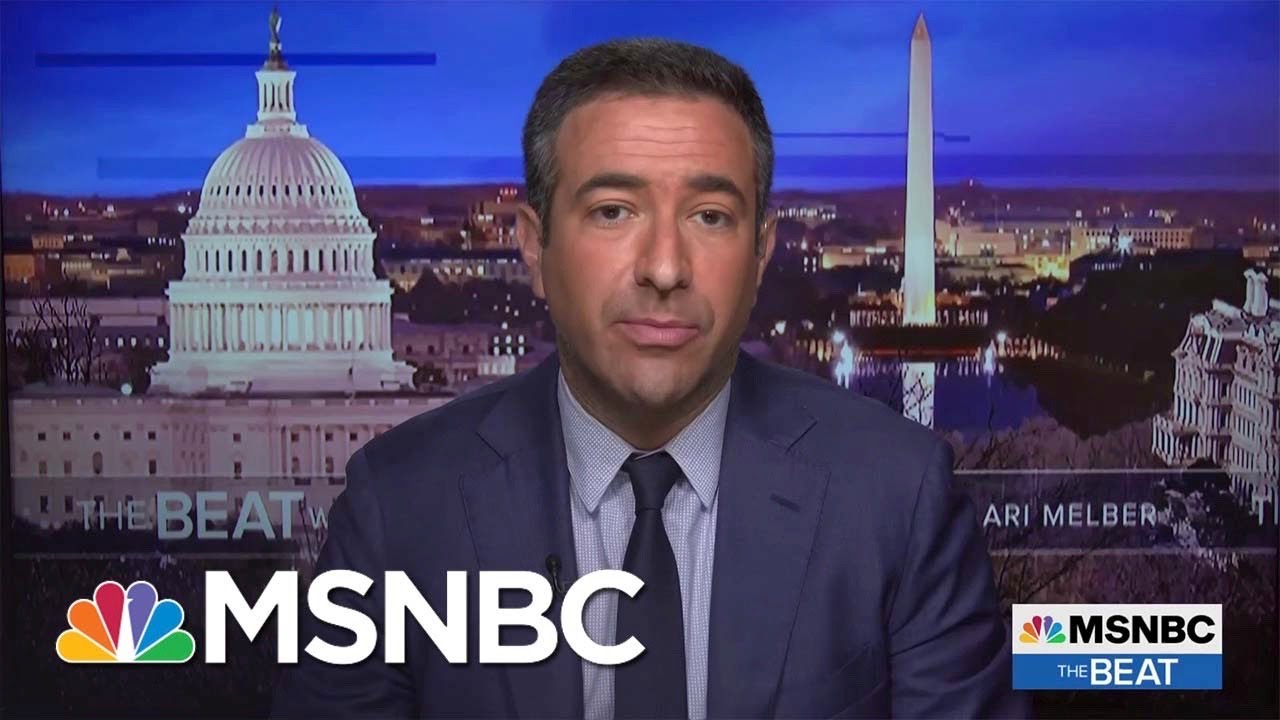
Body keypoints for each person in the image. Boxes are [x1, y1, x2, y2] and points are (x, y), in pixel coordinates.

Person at [272, 37, 1031, 719]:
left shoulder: (897, 497)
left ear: (762, 252)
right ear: (533, 248)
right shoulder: (401, 507)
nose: (665, 268)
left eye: (710, 216)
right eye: (613, 211)